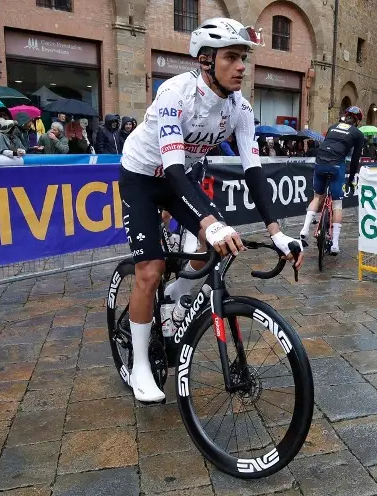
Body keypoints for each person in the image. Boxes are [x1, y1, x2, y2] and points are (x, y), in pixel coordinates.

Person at [119, 17, 303, 403]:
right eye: (232, 58)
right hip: (142, 176)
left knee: (213, 244)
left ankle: (176, 296)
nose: (241, 67)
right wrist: (210, 221)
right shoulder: (175, 93)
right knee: (148, 271)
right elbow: (170, 166)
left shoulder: (239, 107)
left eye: (243, 59)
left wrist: (278, 232)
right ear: (205, 60)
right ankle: (139, 366)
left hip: (176, 180)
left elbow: (253, 171)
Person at [299, 106, 365, 255]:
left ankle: (304, 229)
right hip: (336, 165)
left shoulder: (333, 126)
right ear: (358, 120)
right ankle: (335, 244)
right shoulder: (357, 133)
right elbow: (355, 160)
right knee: (337, 203)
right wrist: (352, 178)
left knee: (317, 196)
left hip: (320, 161)